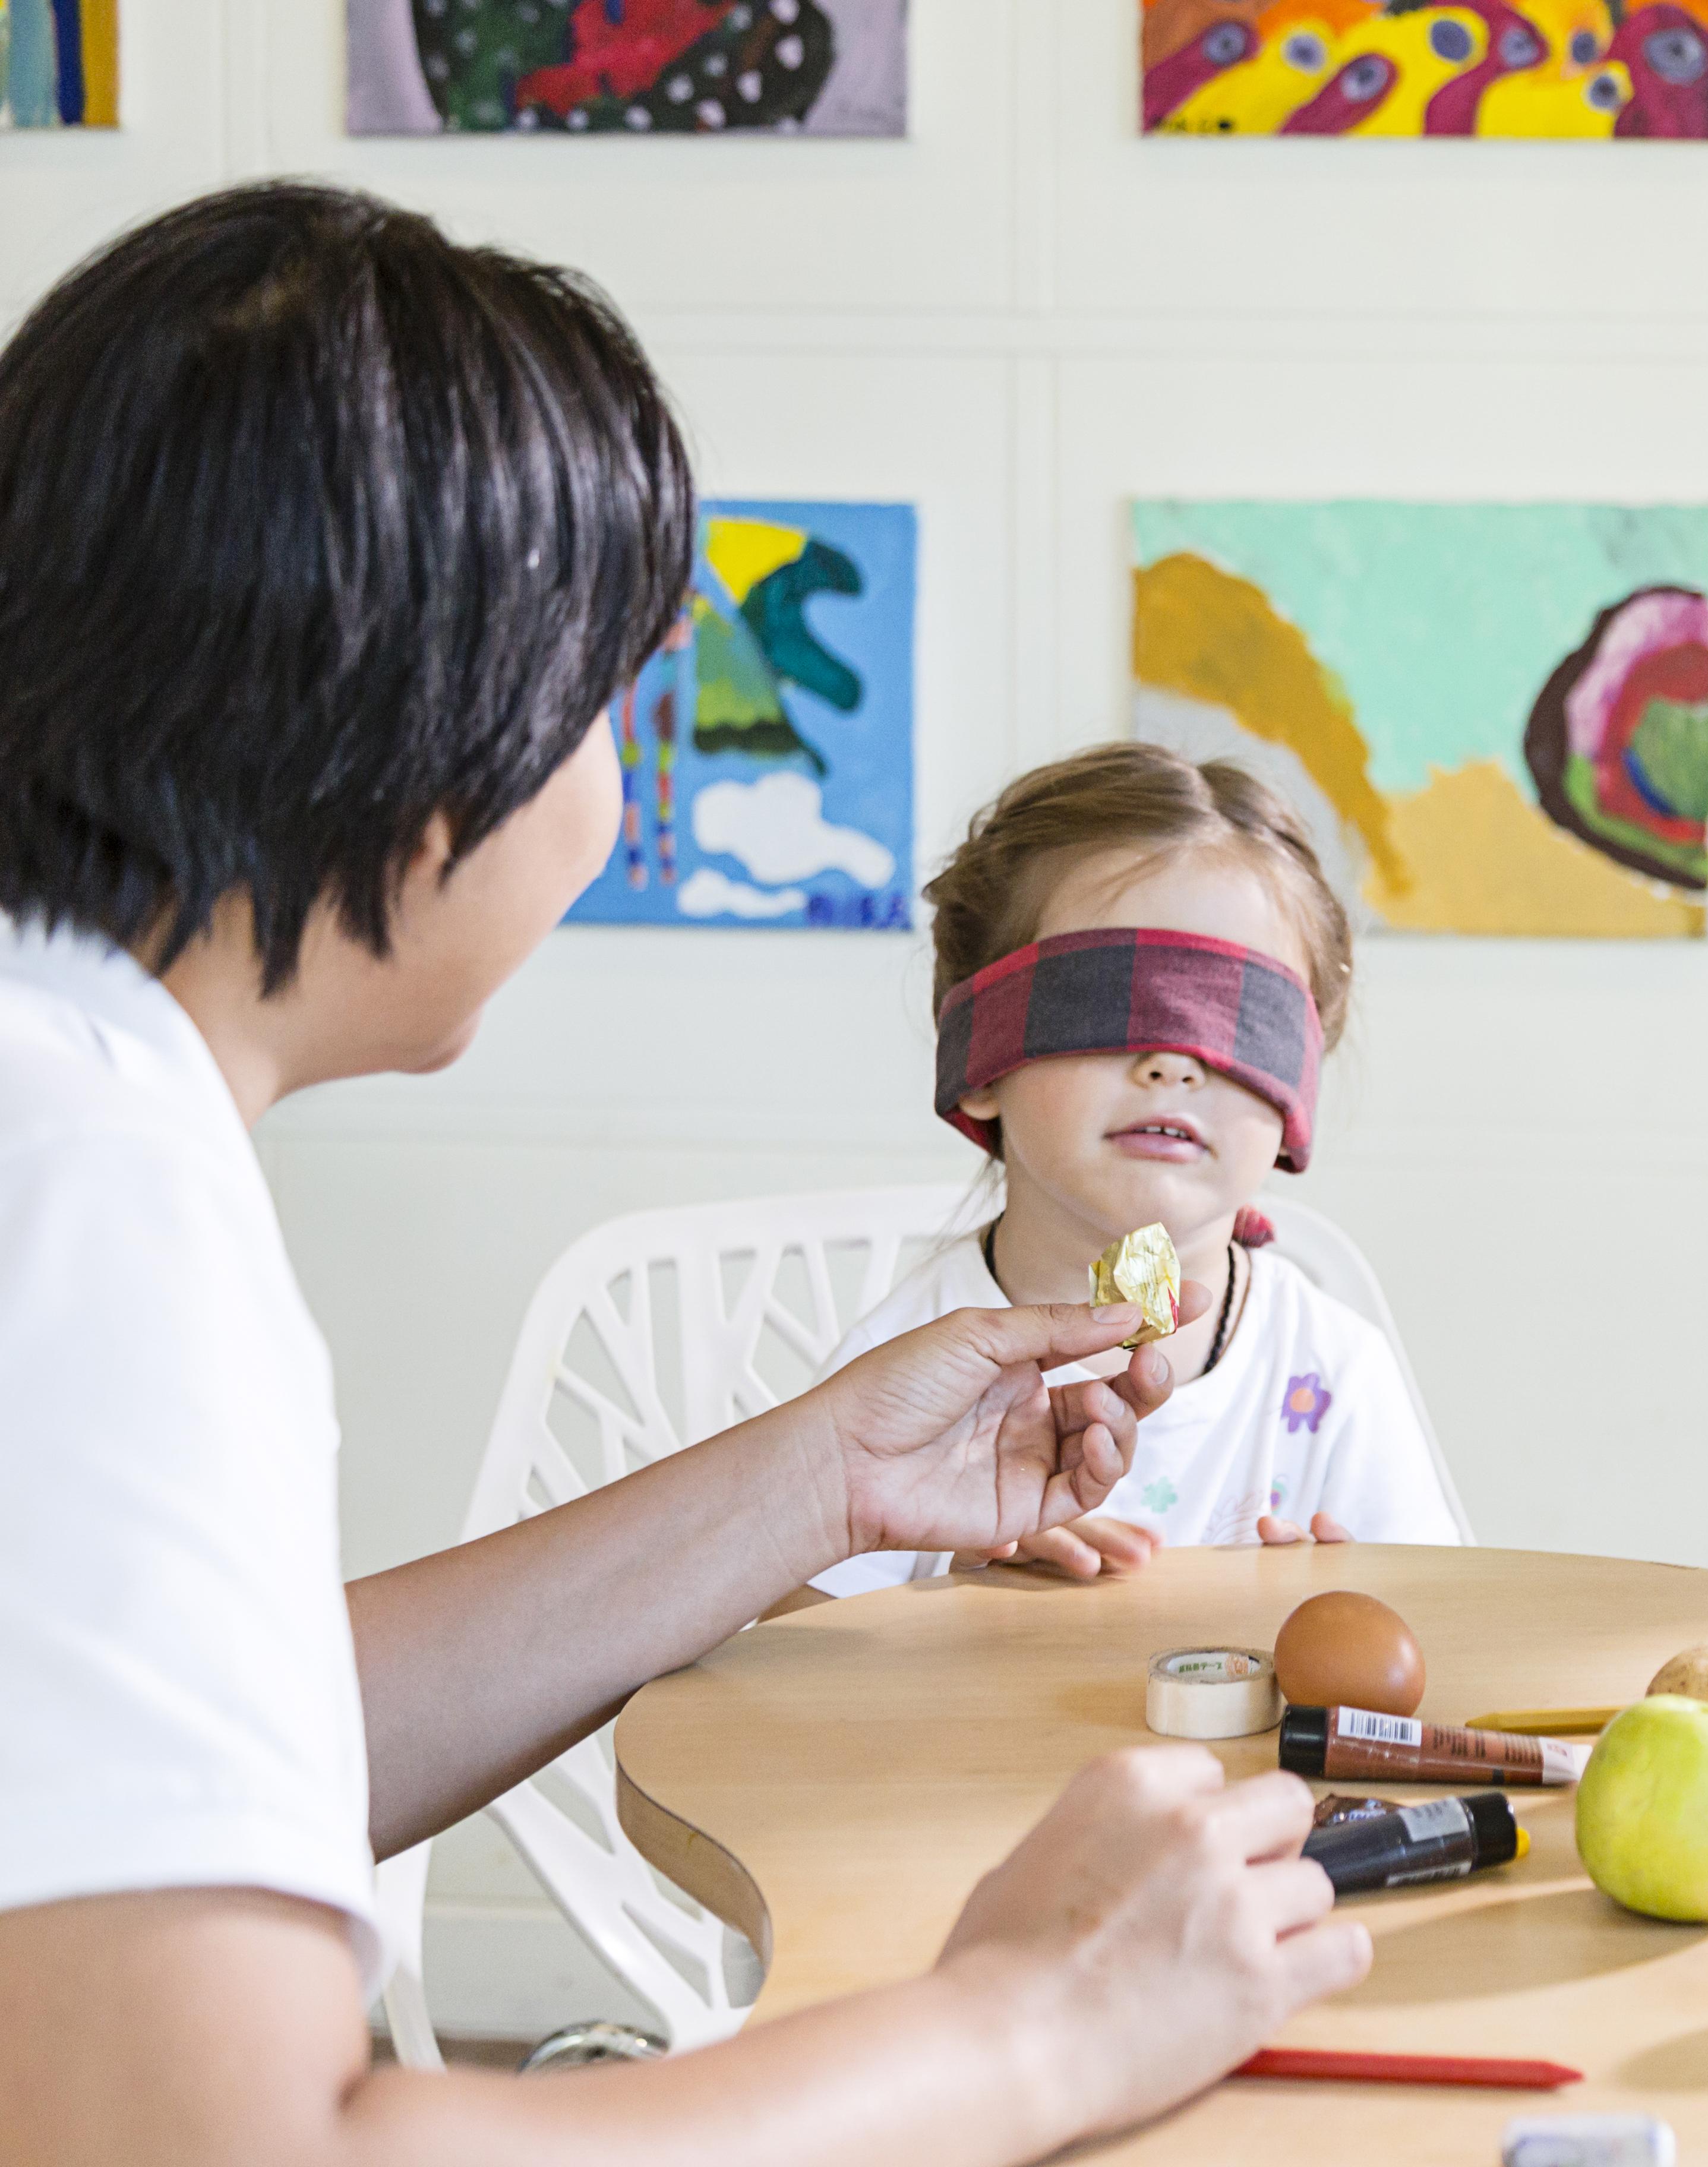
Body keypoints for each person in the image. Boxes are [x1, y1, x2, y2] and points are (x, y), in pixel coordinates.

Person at [0, 182, 1365, 2165]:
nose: (609, 797)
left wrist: (826, 1473)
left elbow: (230, 1737)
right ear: (418, 718)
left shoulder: (62, 1097)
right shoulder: (92, 1194)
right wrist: (1024, 2030)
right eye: (607, 706)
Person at [810, 744, 1463, 1597]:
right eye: (1106, 1001)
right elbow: (789, 1687)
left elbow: (1442, 1650)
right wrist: (947, 1604)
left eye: (1240, 1020)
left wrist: (1356, 1625)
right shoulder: (896, 1379)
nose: (1173, 1062)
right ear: (980, 1067)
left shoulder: (1333, 1374)